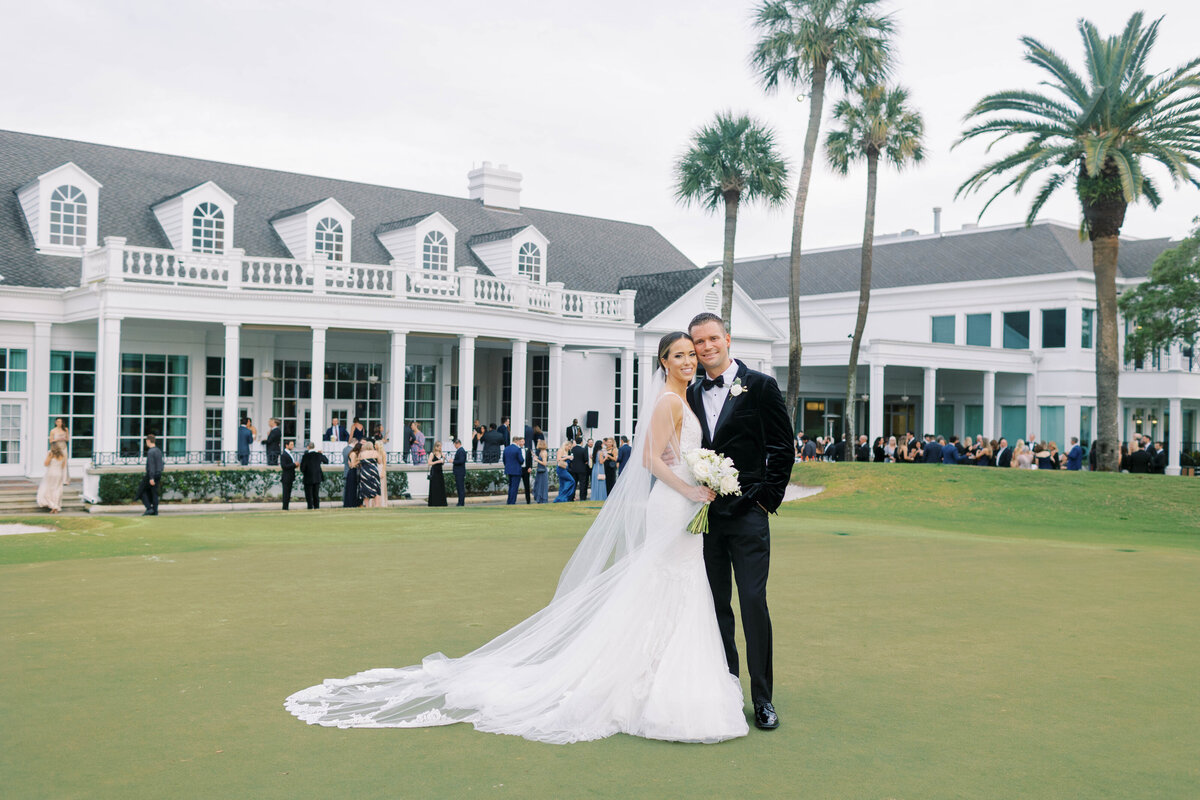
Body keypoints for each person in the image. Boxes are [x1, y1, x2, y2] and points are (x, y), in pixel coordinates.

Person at [286, 329, 749, 744]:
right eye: (679, 354)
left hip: (687, 506)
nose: (690, 360)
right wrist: (691, 486)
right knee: (667, 585)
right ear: (664, 362)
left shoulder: (682, 400)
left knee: (673, 588)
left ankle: (662, 678)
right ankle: (647, 684)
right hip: (673, 505)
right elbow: (650, 459)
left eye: (692, 353)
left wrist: (705, 480)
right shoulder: (669, 401)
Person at [686, 312, 791, 731]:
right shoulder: (691, 393)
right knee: (716, 608)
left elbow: (783, 448)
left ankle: (763, 698)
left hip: (749, 515)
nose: (706, 347)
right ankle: (727, 691)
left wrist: (764, 501)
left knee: (752, 604)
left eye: (713, 338)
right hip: (705, 520)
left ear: (727, 339)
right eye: (699, 342)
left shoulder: (761, 386)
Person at [37, 441, 70, 513]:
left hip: (51, 473)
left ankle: (53, 506)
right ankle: (55, 506)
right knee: (57, 490)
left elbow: (46, 464)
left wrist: (49, 457)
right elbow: (63, 466)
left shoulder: (50, 453)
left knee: (48, 489)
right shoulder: (62, 454)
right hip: (59, 473)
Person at [138, 435, 163, 516]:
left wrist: (151, 477)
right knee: (154, 493)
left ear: (148, 441)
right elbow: (161, 464)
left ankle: (149, 508)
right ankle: (155, 511)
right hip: (158, 474)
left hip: (151, 475)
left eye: (146, 441)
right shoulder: (158, 451)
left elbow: (151, 465)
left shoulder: (150, 452)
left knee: (141, 491)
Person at [299, 441, 328, 509]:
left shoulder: (305, 456)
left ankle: (310, 507)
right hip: (317, 477)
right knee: (316, 494)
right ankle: (317, 507)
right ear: (314, 447)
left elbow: (302, 468)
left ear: (308, 447)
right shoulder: (318, 455)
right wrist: (322, 454)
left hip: (308, 477)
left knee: (309, 495)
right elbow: (326, 461)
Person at [356, 440, 381, 506]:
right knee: (376, 488)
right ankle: (377, 505)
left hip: (365, 473)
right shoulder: (375, 452)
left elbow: (358, 462)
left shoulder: (361, 453)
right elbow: (380, 462)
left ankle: (367, 506)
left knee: (365, 488)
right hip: (374, 473)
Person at [502, 435, 525, 505]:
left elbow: (504, 460)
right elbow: (521, 460)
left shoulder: (506, 448)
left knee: (511, 486)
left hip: (509, 469)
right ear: (517, 441)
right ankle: (512, 501)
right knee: (514, 487)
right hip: (516, 470)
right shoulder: (517, 449)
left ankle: (509, 500)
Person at [427, 441, 447, 507]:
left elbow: (442, 463)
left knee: (440, 487)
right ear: (436, 447)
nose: (441, 448)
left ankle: (441, 503)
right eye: (440, 446)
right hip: (434, 471)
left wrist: (443, 459)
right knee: (434, 487)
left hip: (440, 472)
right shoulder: (432, 454)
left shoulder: (441, 454)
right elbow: (429, 463)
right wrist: (437, 461)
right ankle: (434, 502)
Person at [280, 439, 297, 510]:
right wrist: (294, 464)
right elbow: (284, 466)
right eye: (291, 444)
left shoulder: (289, 454)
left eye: (293, 444)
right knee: (286, 493)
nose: (293, 446)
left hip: (290, 476)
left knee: (288, 493)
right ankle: (285, 507)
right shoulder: (284, 455)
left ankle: (287, 507)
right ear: (286, 445)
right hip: (286, 476)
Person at [452, 438, 468, 506]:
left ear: (458, 443)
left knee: (460, 488)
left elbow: (461, 461)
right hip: (459, 472)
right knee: (459, 487)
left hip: (460, 472)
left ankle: (461, 502)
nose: (454, 446)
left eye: (455, 444)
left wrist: (453, 461)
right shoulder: (460, 450)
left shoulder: (461, 451)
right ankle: (460, 502)